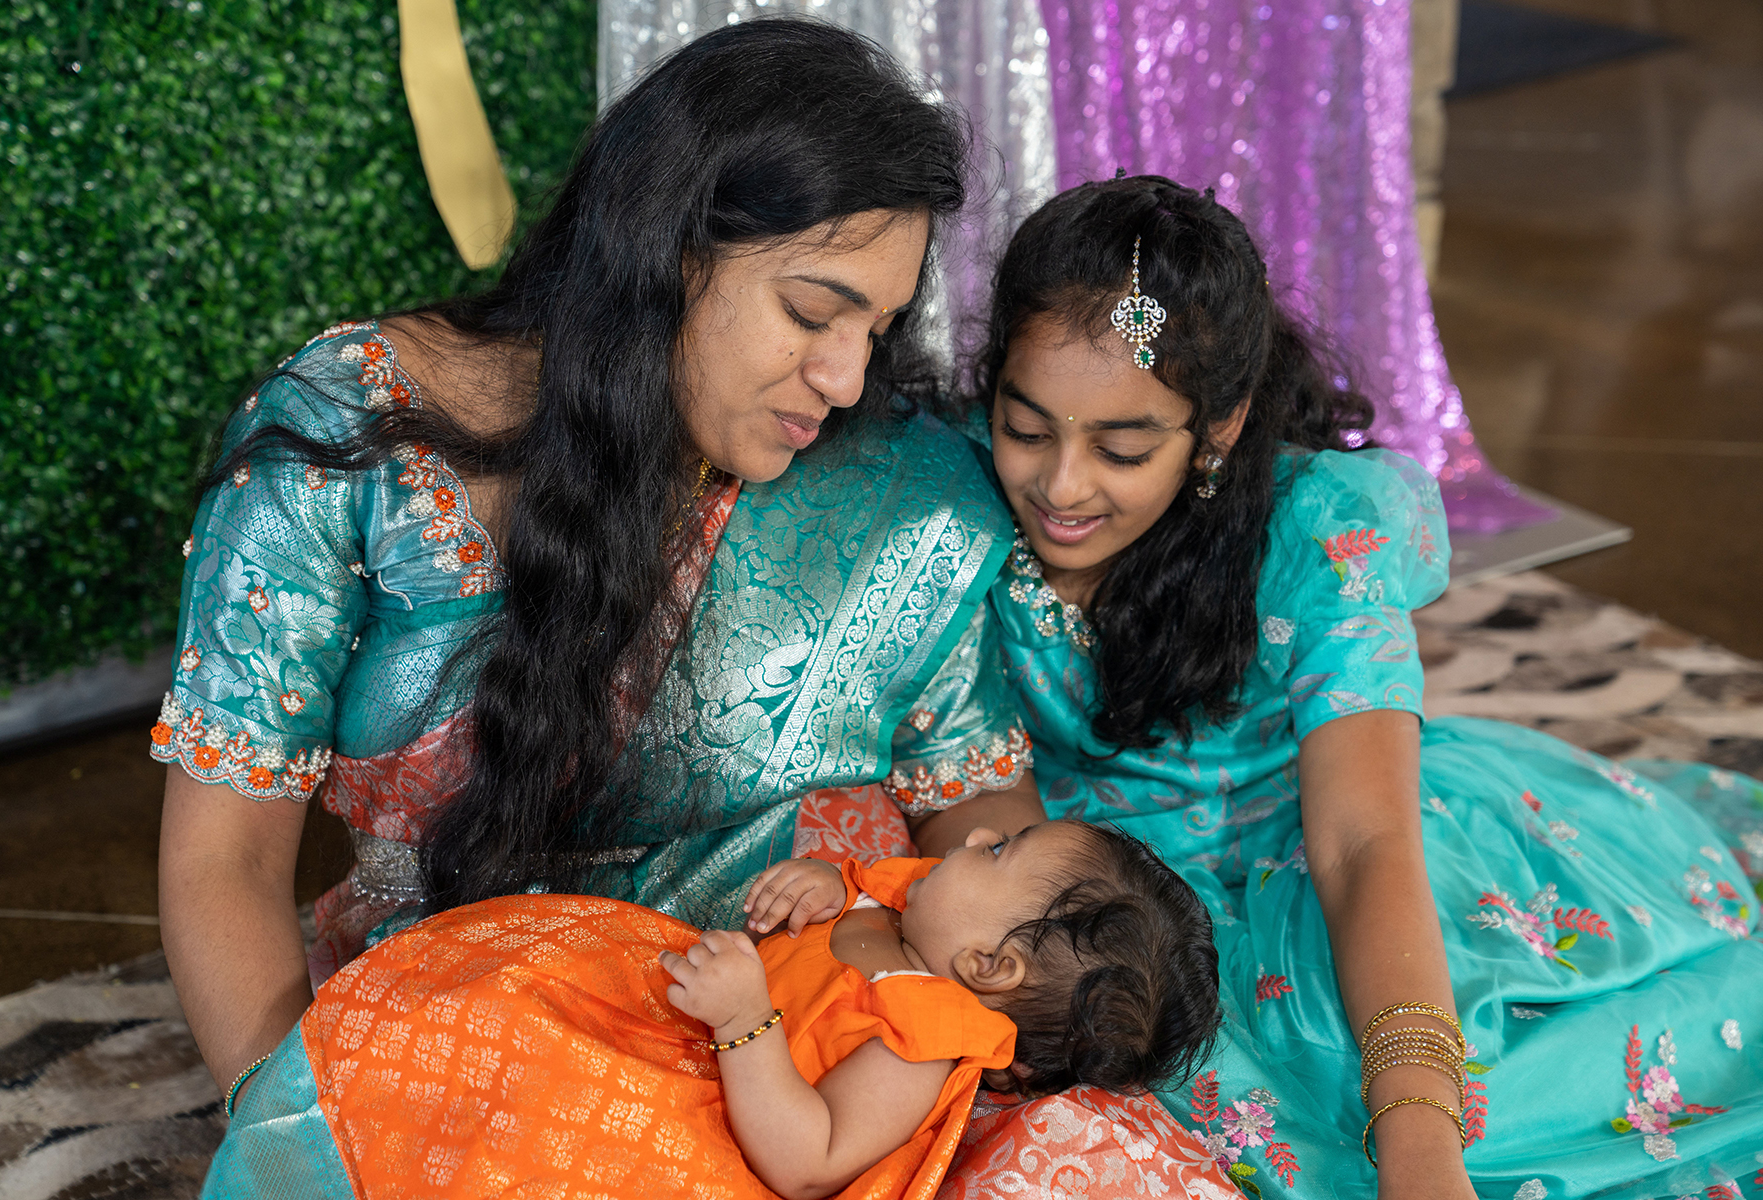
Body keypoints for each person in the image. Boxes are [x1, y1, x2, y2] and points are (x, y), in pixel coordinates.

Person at [152, 17, 1048, 1129]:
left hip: (816, 1048)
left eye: (878, 327)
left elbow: (973, 798)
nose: (847, 378)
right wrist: (290, 1138)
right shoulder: (353, 437)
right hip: (472, 1041)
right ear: (665, 255)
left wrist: (941, 1000)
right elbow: (226, 860)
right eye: (812, 312)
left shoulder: (895, 492)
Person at [969, 175, 1763, 1197]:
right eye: (1027, 429)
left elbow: (1361, 843)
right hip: (1110, 906)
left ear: (1218, 430)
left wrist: (1420, 1132)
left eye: (1122, 449)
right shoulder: (952, 505)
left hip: (1327, 858)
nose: (1062, 486)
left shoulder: (1321, 534)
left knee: (1489, 1113)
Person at [202, 819, 1224, 1198]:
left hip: (718, 1140)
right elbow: (843, 906)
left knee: (540, 1118)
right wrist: (822, 885)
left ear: (991, 967)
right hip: (675, 1035)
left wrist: (747, 1023)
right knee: (498, 1002)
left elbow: (810, 1159)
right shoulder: (905, 906)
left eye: (999, 855)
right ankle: (345, 1118)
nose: (969, 841)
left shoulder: (927, 1036)